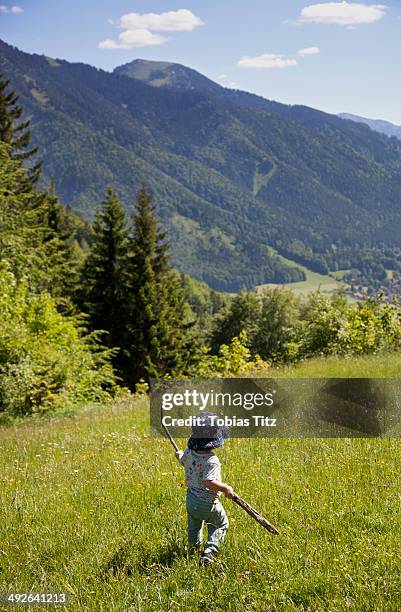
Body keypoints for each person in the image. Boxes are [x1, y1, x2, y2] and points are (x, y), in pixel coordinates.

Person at [175, 412, 235, 565]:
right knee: (221, 524)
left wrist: (179, 455)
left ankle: (193, 549)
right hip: (207, 502)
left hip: (191, 500)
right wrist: (226, 488)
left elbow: (183, 461)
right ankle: (210, 552)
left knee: (194, 526)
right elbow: (209, 482)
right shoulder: (211, 460)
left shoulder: (189, 452)